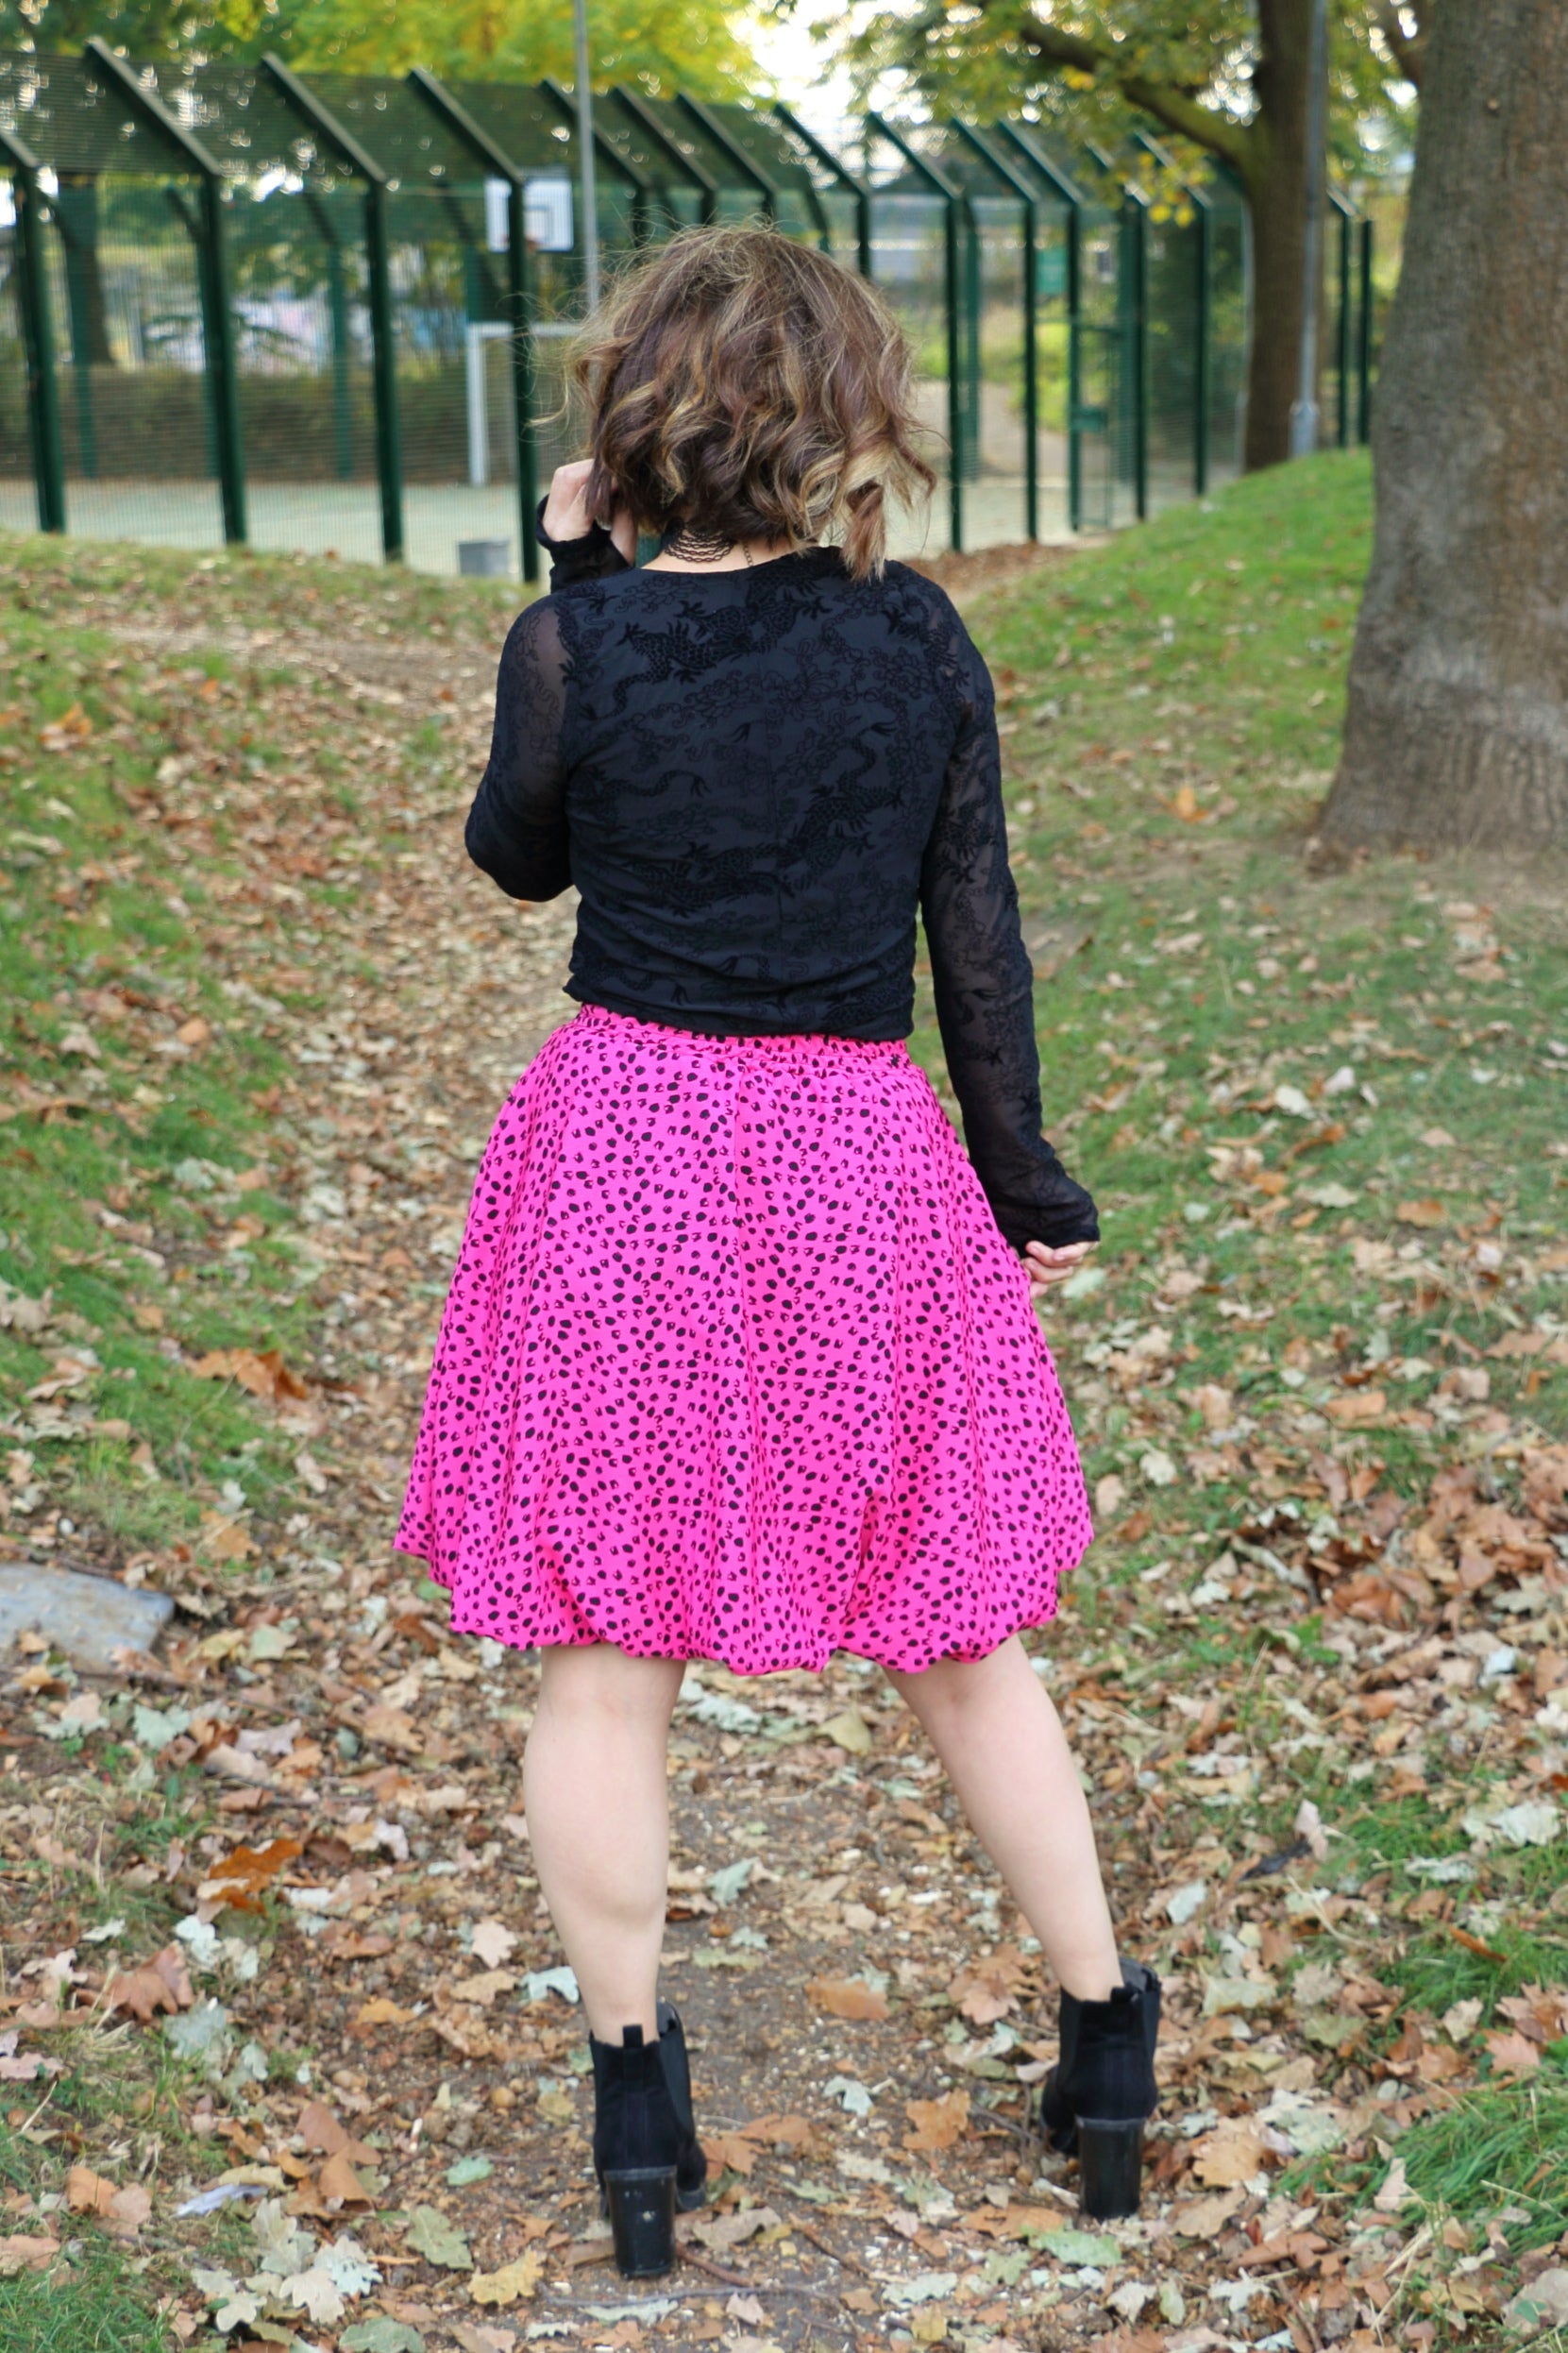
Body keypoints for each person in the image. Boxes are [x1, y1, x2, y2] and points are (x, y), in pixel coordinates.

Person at [396, 224, 1158, 2277]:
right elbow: (972, 943)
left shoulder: (588, 642)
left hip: (625, 1151)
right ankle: (1106, 2036)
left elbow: (517, 851)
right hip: (853, 1162)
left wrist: (572, 583)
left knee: (601, 1654)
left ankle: (637, 2097)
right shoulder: (917, 646)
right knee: (959, 1627)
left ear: (636, 420)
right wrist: (1027, 1185)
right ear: (843, 416)